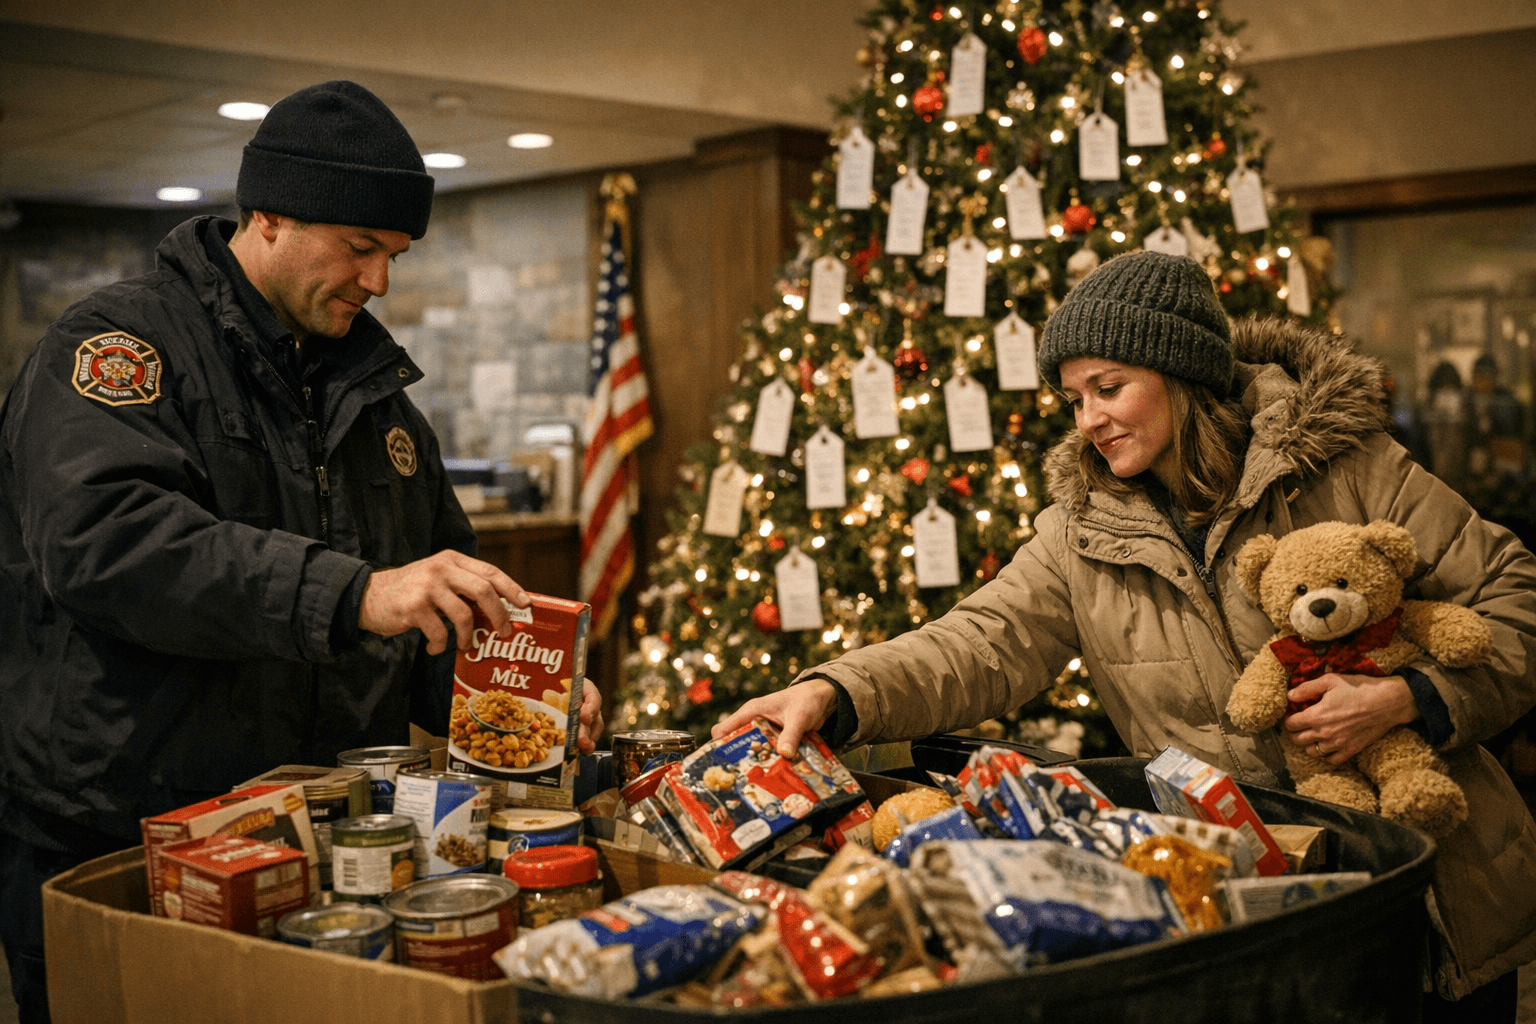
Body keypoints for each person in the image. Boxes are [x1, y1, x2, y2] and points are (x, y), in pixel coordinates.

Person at [718, 251, 1536, 1022]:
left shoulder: (1348, 468)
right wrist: (836, 690)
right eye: (1075, 399)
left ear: (1181, 373)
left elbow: (1516, 598)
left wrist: (1409, 698)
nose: (1091, 420)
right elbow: (981, 640)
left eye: (1109, 387)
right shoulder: (1081, 529)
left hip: (1434, 904)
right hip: (1248, 920)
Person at [0, 81, 603, 1024]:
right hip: (122, 830)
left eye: (394, 255)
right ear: (268, 214)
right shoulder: (115, 346)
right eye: (359, 249)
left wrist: (517, 697)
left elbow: (437, 606)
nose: (380, 282)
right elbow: (106, 545)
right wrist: (356, 592)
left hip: (315, 839)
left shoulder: (383, 405)